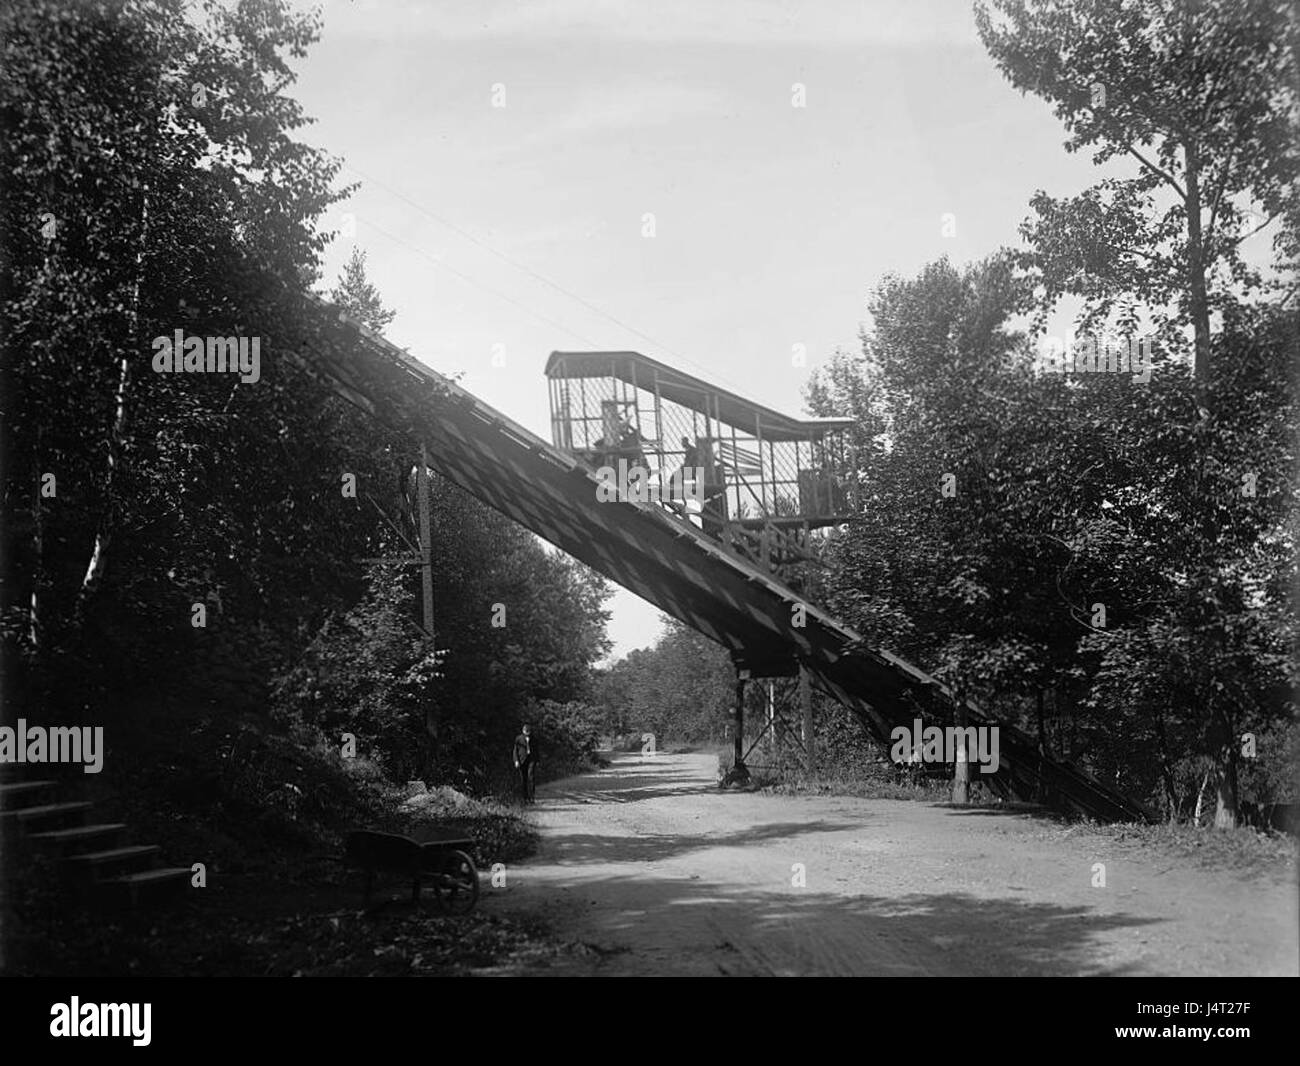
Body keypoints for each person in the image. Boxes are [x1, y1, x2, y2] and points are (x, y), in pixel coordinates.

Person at [512, 724, 537, 803]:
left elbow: (537, 750)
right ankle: (525, 798)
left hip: (531, 759)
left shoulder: (534, 738)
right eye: (526, 732)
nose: (527, 733)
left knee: (531, 777)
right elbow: (515, 751)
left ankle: (532, 797)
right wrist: (516, 761)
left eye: (528, 732)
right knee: (523, 779)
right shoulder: (518, 739)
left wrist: (537, 760)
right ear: (523, 731)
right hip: (522, 760)